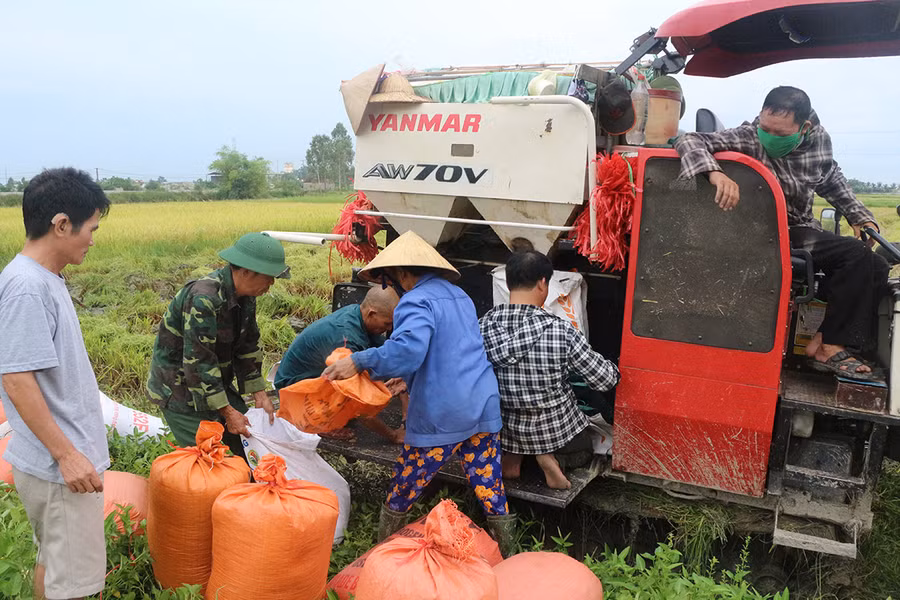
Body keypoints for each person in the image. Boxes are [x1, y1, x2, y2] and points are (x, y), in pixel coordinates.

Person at [674, 86, 889, 380]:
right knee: (854, 254)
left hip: (801, 227)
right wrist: (715, 173)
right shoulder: (749, 136)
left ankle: (823, 340)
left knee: (876, 265)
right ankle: (830, 347)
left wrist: (860, 217)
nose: (769, 138)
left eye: (780, 134)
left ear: (804, 129)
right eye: (765, 129)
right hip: (766, 230)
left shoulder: (818, 142)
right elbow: (689, 140)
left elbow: (830, 179)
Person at [322, 231, 515, 555]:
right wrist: (407, 378)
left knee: (405, 483)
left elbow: (408, 350)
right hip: (481, 402)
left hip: (444, 411)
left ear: (400, 273)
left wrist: (358, 361)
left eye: (387, 280)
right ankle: (508, 552)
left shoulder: (415, 300)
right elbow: (448, 350)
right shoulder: (459, 295)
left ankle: (381, 552)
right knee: (489, 485)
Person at [0, 168, 111, 600]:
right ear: (61, 224)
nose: (92, 240)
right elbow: (16, 379)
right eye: (91, 229)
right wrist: (67, 457)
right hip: (60, 470)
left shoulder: (43, 278)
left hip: (59, 464)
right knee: (74, 587)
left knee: (54, 566)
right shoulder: (27, 287)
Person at [480, 251, 620, 490]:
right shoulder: (560, 331)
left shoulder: (482, 327)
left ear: (510, 283)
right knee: (584, 446)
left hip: (504, 430)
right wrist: (615, 368)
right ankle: (547, 458)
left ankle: (513, 456)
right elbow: (605, 380)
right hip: (554, 435)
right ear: (542, 283)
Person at [146, 232, 287, 457]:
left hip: (214, 381)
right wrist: (228, 412)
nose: (271, 284)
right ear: (246, 271)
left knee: (248, 446)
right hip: (181, 390)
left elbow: (248, 345)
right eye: (268, 277)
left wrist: (260, 394)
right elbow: (199, 362)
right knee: (210, 460)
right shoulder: (203, 298)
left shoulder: (247, 296)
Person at [274, 285, 405, 443]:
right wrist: (393, 435)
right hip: (293, 394)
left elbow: (390, 356)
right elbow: (357, 401)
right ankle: (321, 425)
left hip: (314, 375)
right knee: (354, 394)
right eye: (387, 323)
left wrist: (406, 415)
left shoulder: (359, 314)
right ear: (371, 313)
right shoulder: (345, 339)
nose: (389, 328)